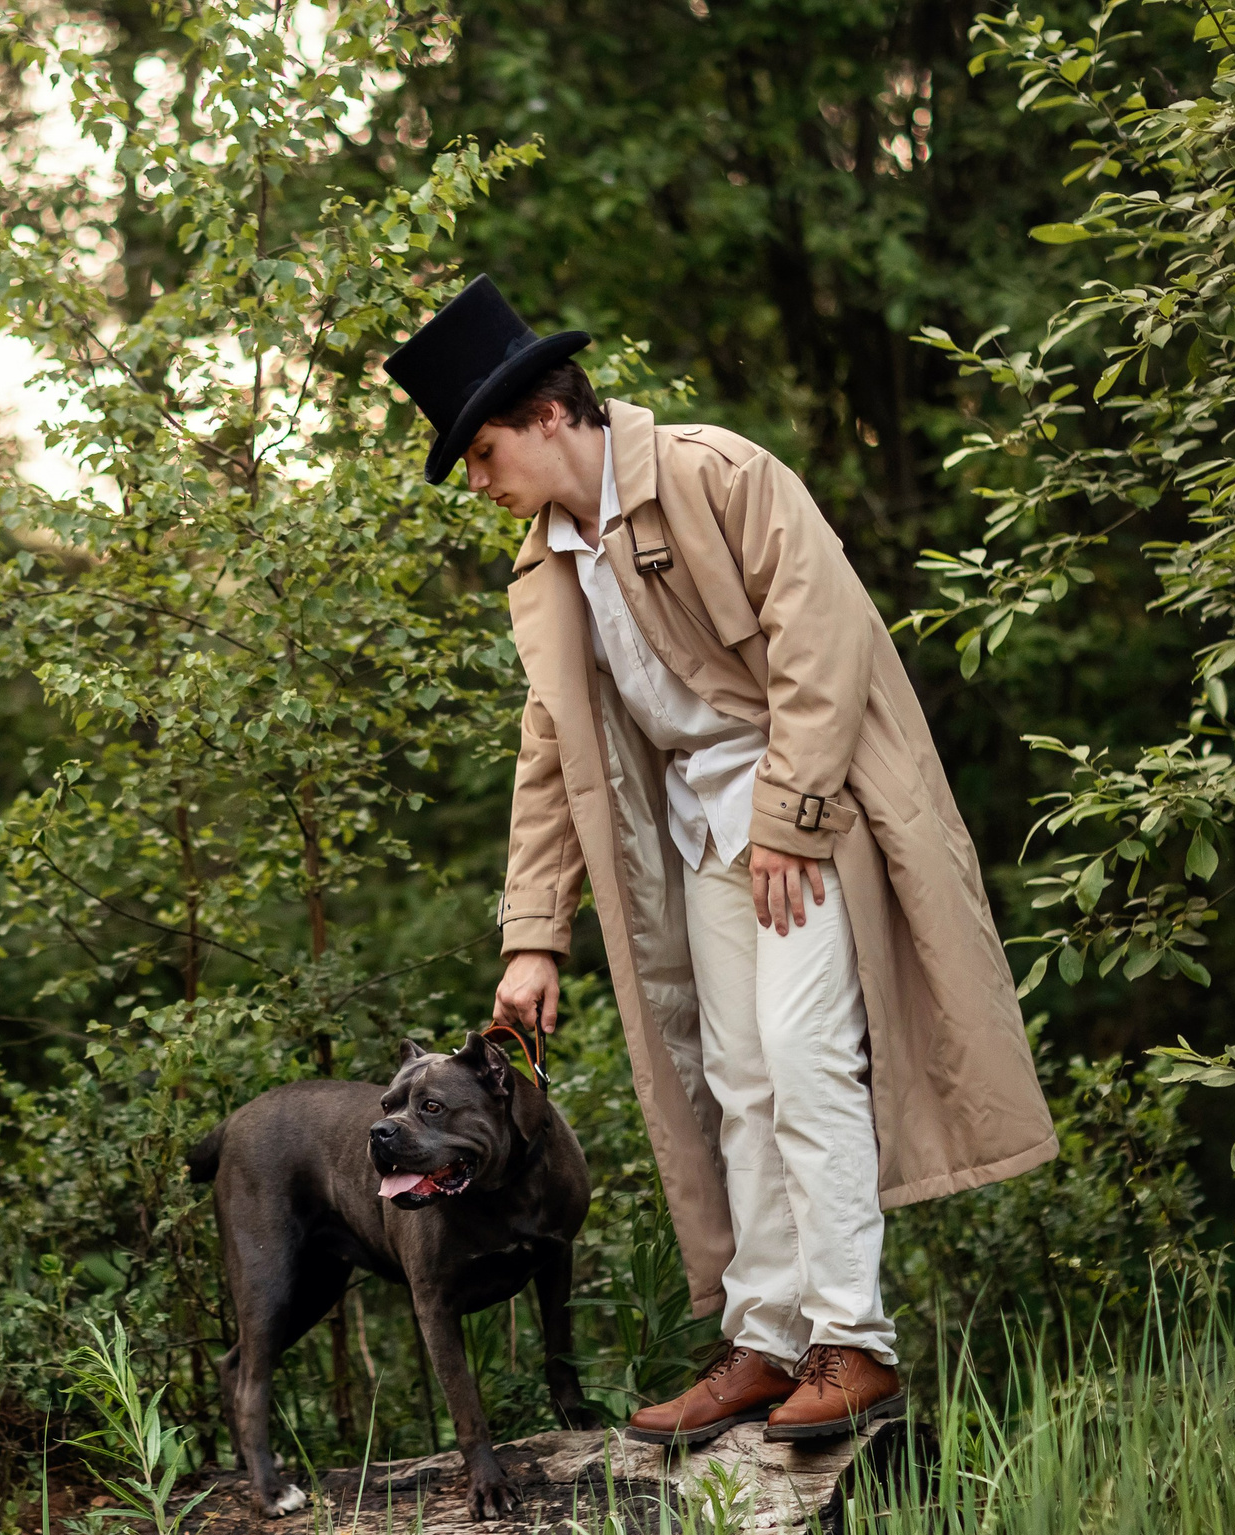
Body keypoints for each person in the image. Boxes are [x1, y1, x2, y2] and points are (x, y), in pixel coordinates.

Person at [385, 277, 1056, 1447]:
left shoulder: (716, 474)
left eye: (482, 452)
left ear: (549, 414)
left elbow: (822, 638)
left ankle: (856, 1344)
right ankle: (768, 1337)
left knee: (803, 1062)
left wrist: (789, 817)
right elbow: (548, 754)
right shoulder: (546, 573)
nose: (480, 483)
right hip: (701, 833)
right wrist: (533, 933)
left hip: (807, 814)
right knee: (735, 1080)